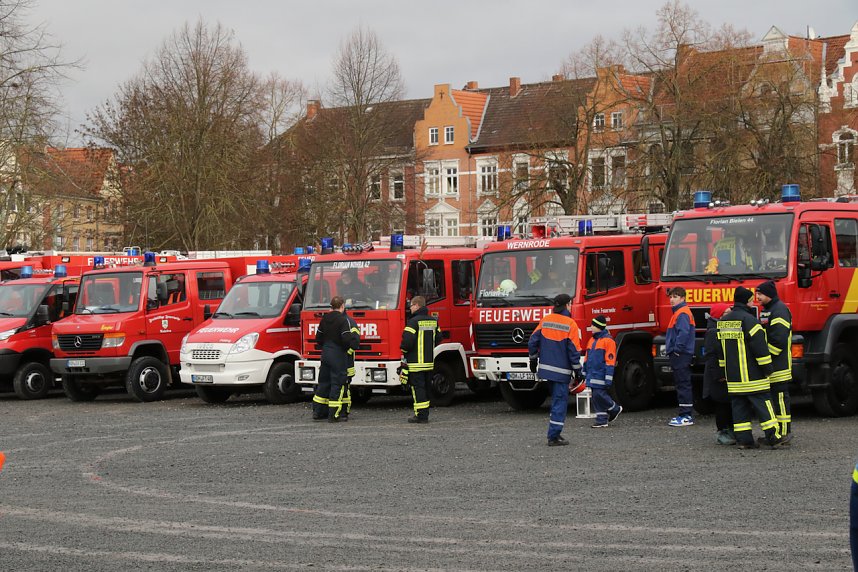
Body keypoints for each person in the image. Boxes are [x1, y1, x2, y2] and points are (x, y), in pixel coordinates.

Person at [716, 286, 783, 449]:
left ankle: (744, 441)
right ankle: (774, 437)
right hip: (753, 377)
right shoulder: (750, 321)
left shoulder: (723, 322)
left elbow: (720, 351)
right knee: (764, 406)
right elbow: (760, 348)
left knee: (739, 410)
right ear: (747, 301)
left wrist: (723, 372)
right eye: (752, 300)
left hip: (734, 378)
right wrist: (768, 368)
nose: (753, 302)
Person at [527, 293, 583, 446]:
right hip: (561, 372)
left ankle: (554, 433)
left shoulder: (545, 320)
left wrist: (533, 360)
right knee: (560, 403)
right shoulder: (570, 324)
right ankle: (554, 436)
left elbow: (532, 342)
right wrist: (578, 371)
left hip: (546, 370)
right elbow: (574, 352)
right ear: (567, 305)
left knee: (555, 401)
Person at [312, 296, 361, 423]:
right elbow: (348, 341)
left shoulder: (324, 319)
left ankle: (318, 412)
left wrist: (327, 347)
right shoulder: (344, 321)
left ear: (331, 306)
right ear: (343, 306)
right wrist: (344, 349)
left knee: (323, 383)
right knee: (338, 384)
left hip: (325, 355)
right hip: (339, 357)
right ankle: (335, 414)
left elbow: (318, 338)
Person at [756, 279, 793, 444]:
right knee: (774, 401)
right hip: (772, 364)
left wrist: (765, 358)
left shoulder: (779, 310)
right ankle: (775, 433)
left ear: (769, 294)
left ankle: (784, 433)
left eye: (760, 294)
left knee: (780, 400)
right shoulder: (769, 310)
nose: (757, 297)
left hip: (778, 365)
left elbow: (778, 341)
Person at [400, 295, 441, 423]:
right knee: (426, 388)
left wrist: (404, 352)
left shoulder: (413, 322)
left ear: (417, 305)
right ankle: (425, 413)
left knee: (418, 389)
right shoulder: (433, 321)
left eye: (411, 305)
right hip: (428, 362)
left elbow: (407, 342)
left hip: (415, 363)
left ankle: (421, 416)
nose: (410, 308)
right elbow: (439, 337)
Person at [703, 302, 735, 445]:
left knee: (728, 404)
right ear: (719, 316)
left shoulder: (723, 327)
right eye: (727, 313)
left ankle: (731, 430)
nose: (730, 315)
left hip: (725, 374)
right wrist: (719, 375)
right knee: (722, 404)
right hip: (718, 377)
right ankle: (722, 432)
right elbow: (711, 356)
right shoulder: (713, 332)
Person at [584, 315, 622, 429]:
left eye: (593, 325)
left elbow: (610, 361)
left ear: (599, 327)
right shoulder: (592, 340)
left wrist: (608, 377)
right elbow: (586, 357)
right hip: (593, 373)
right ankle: (601, 420)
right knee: (595, 397)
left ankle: (614, 408)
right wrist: (584, 371)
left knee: (599, 394)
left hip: (601, 374)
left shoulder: (608, 341)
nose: (591, 327)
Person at [665, 286, 696, 427]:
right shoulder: (680, 312)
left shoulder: (682, 313)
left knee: (683, 383)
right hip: (681, 353)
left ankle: (686, 415)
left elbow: (683, 333)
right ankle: (685, 414)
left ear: (683, 298)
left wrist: (676, 350)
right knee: (682, 383)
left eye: (675, 297)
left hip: (681, 354)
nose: (672, 299)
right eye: (671, 297)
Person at [340, 311, 361, 421]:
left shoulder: (349, 322)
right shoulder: (339, 321)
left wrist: (345, 353)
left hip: (347, 364)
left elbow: (355, 341)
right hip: (339, 363)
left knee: (345, 388)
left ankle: (344, 412)